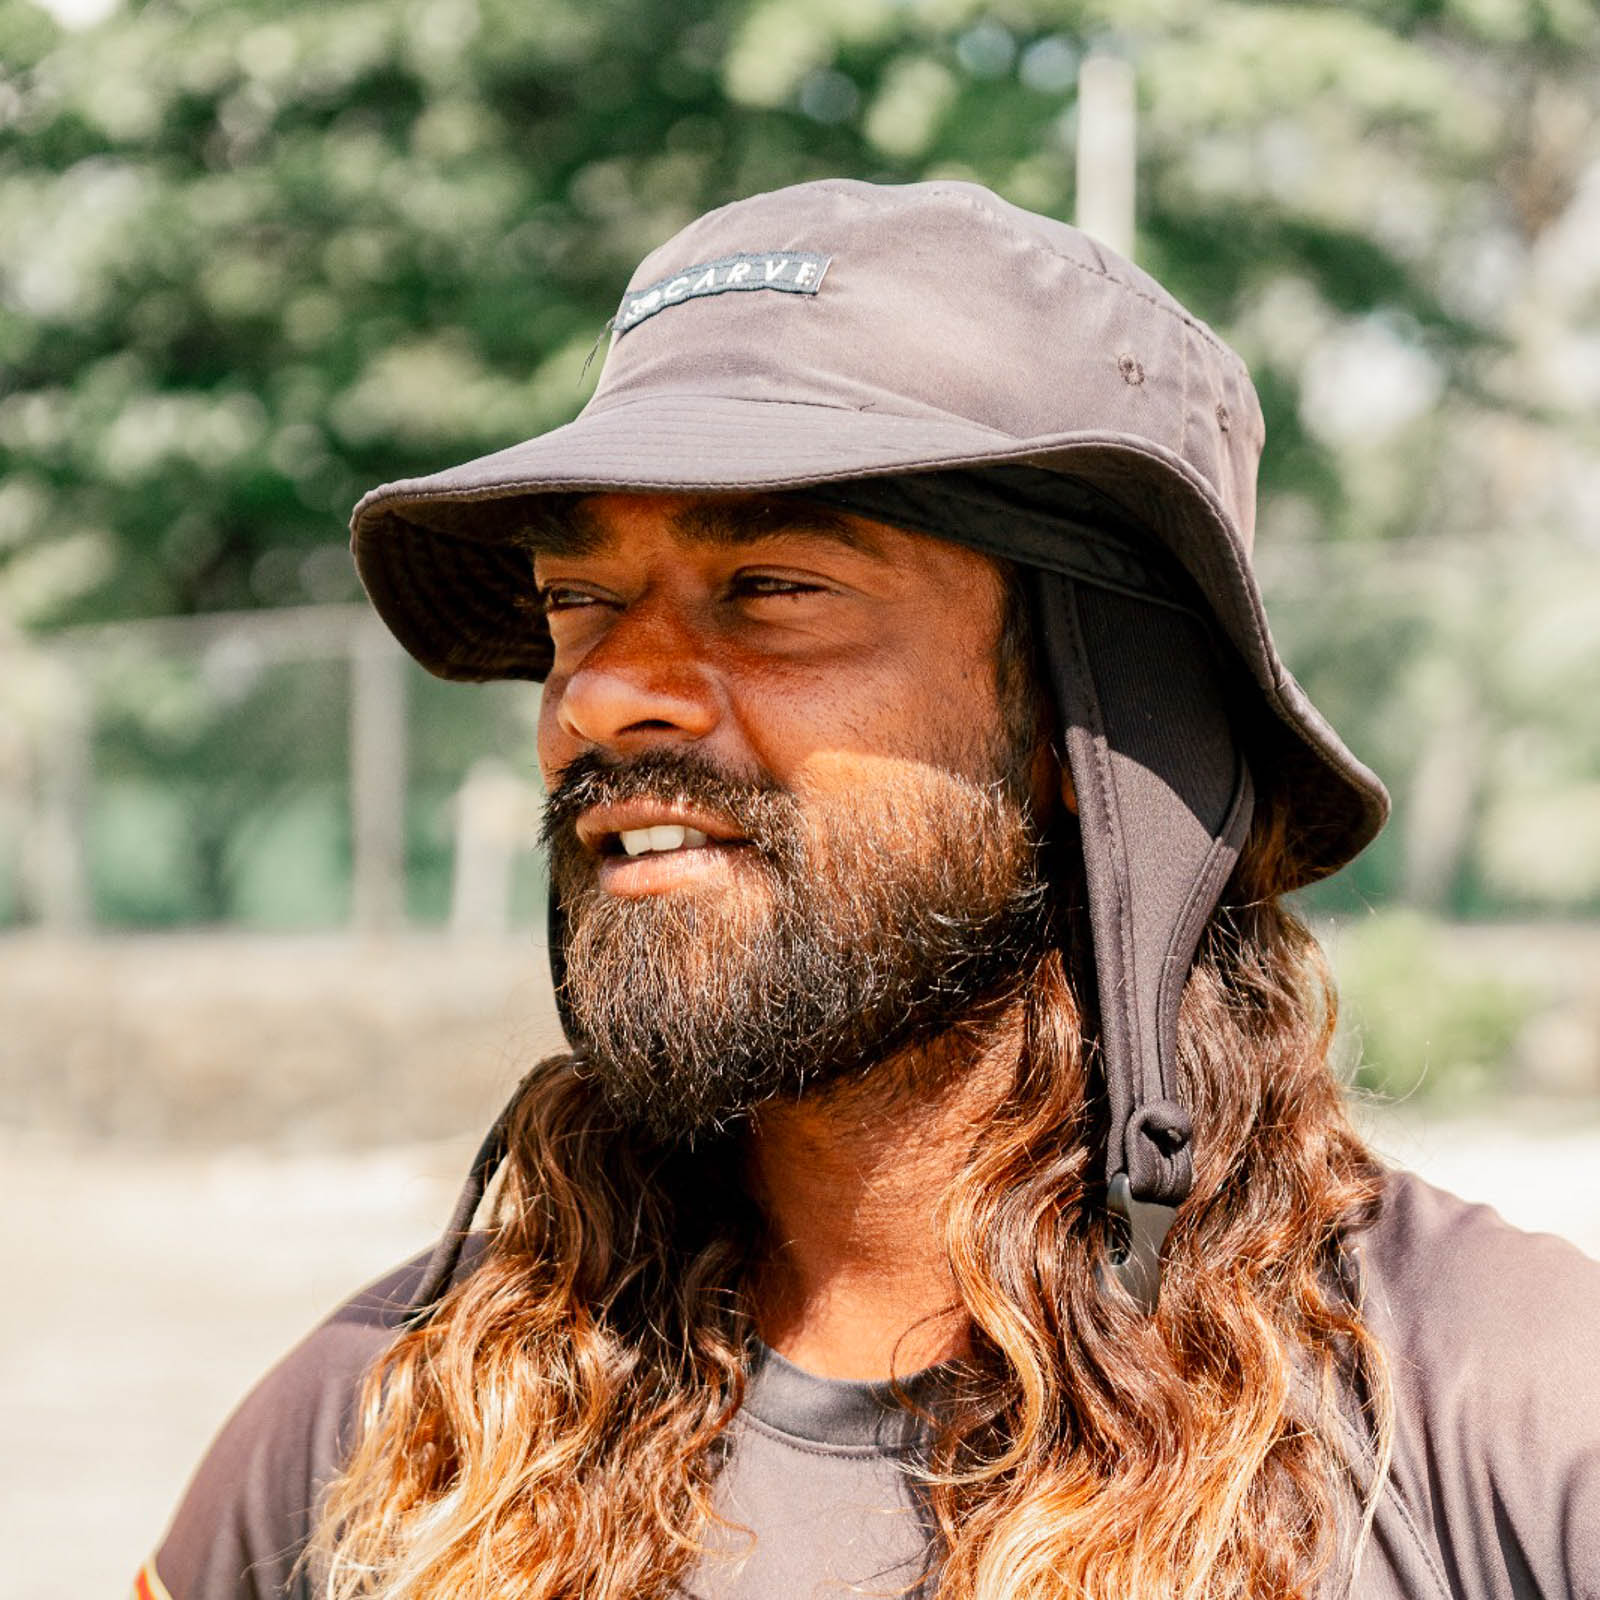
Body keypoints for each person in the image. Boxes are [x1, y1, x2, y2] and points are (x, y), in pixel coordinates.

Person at [138, 180, 1600, 1600]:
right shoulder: (389, 1425)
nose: (602, 695)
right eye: (578, 602)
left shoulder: (1504, 1416)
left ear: (1099, 729)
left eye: (773, 587)